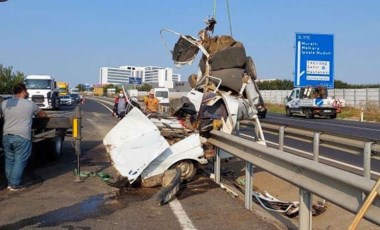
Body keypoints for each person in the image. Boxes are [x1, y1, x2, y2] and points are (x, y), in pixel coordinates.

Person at [0, 83, 47, 191]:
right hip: (22, 137)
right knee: (20, 160)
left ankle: (10, 183)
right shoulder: (30, 104)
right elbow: (42, 114)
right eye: (26, 91)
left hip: (7, 135)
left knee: (9, 159)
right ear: (23, 91)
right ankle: (15, 184)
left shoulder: (5, 103)